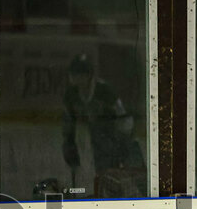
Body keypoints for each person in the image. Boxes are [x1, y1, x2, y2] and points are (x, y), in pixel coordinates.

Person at [62, 53, 144, 197]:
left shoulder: (105, 91)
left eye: (81, 74)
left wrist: (122, 142)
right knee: (106, 178)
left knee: (136, 176)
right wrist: (69, 145)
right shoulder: (71, 95)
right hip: (99, 139)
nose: (77, 78)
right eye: (74, 74)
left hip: (120, 137)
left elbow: (123, 118)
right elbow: (68, 123)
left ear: (89, 75)